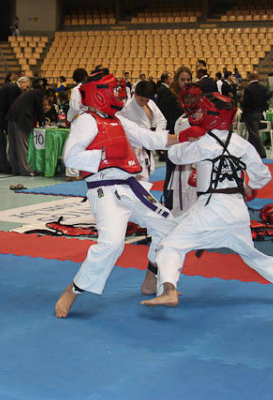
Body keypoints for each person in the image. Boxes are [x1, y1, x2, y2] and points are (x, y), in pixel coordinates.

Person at [141, 90, 273, 308]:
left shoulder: (204, 142)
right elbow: (263, 176)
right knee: (254, 256)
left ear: (211, 115)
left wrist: (186, 137)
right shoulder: (241, 143)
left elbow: (174, 156)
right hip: (237, 211)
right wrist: (250, 186)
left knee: (170, 246)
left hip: (211, 209)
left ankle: (168, 291)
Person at [55, 72, 179, 318]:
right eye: (114, 90)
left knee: (168, 226)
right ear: (99, 93)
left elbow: (148, 137)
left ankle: (153, 276)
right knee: (112, 244)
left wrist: (183, 138)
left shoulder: (118, 120)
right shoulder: (86, 120)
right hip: (105, 190)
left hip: (131, 187)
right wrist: (105, 155)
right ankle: (73, 290)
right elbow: (70, 157)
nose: (119, 95)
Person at [157, 66, 192, 211]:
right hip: (173, 140)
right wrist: (163, 142)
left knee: (187, 175)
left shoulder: (192, 96)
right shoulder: (169, 95)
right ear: (177, 80)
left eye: (188, 79)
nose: (186, 82)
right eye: (183, 79)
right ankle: (170, 205)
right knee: (171, 173)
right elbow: (164, 120)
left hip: (188, 141)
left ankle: (186, 204)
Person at [117, 80, 167, 181]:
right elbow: (119, 126)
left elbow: (162, 120)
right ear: (135, 94)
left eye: (146, 100)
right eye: (141, 100)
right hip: (132, 149)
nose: (144, 102)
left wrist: (156, 136)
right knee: (134, 179)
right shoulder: (127, 108)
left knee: (145, 178)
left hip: (147, 146)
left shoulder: (151, 104)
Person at [0, 76, 30, 173]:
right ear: (22, 82)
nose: (27, 89)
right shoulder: (14, 89)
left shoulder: (11, 87)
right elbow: (12, 107)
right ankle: (2, 167)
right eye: (27, 86)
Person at [5, 87, 46, 176]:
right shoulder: (38, 94)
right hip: (21, 119)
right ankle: (26, 170)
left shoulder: (28, 93)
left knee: (13, 146)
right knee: (22, 146)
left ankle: (16, 169)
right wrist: (42, 122)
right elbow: (40, 108)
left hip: (11, 117)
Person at [241, 72, 270, 158]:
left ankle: (262, 153)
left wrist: (243, 112)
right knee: (252, 134)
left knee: (254, 133)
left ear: (249, 78)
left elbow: (246, 103)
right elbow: (265, 102)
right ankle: (248, 150)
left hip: (250, 114)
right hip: (259, 113)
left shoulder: (248, 89)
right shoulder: (263, 88)